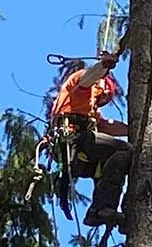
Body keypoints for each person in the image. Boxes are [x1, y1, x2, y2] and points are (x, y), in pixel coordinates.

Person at [50, 51, 131, 229]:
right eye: (104, 96)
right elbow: (87, 78)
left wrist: (135, 130)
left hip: (80, 155)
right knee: (128, 151)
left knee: (117, 160)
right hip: (74, 140)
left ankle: (102, 211)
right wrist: (104, 66)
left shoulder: (90, 113)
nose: (102, 101)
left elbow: (107, 126)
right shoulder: (81, 87)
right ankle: (103, 207)